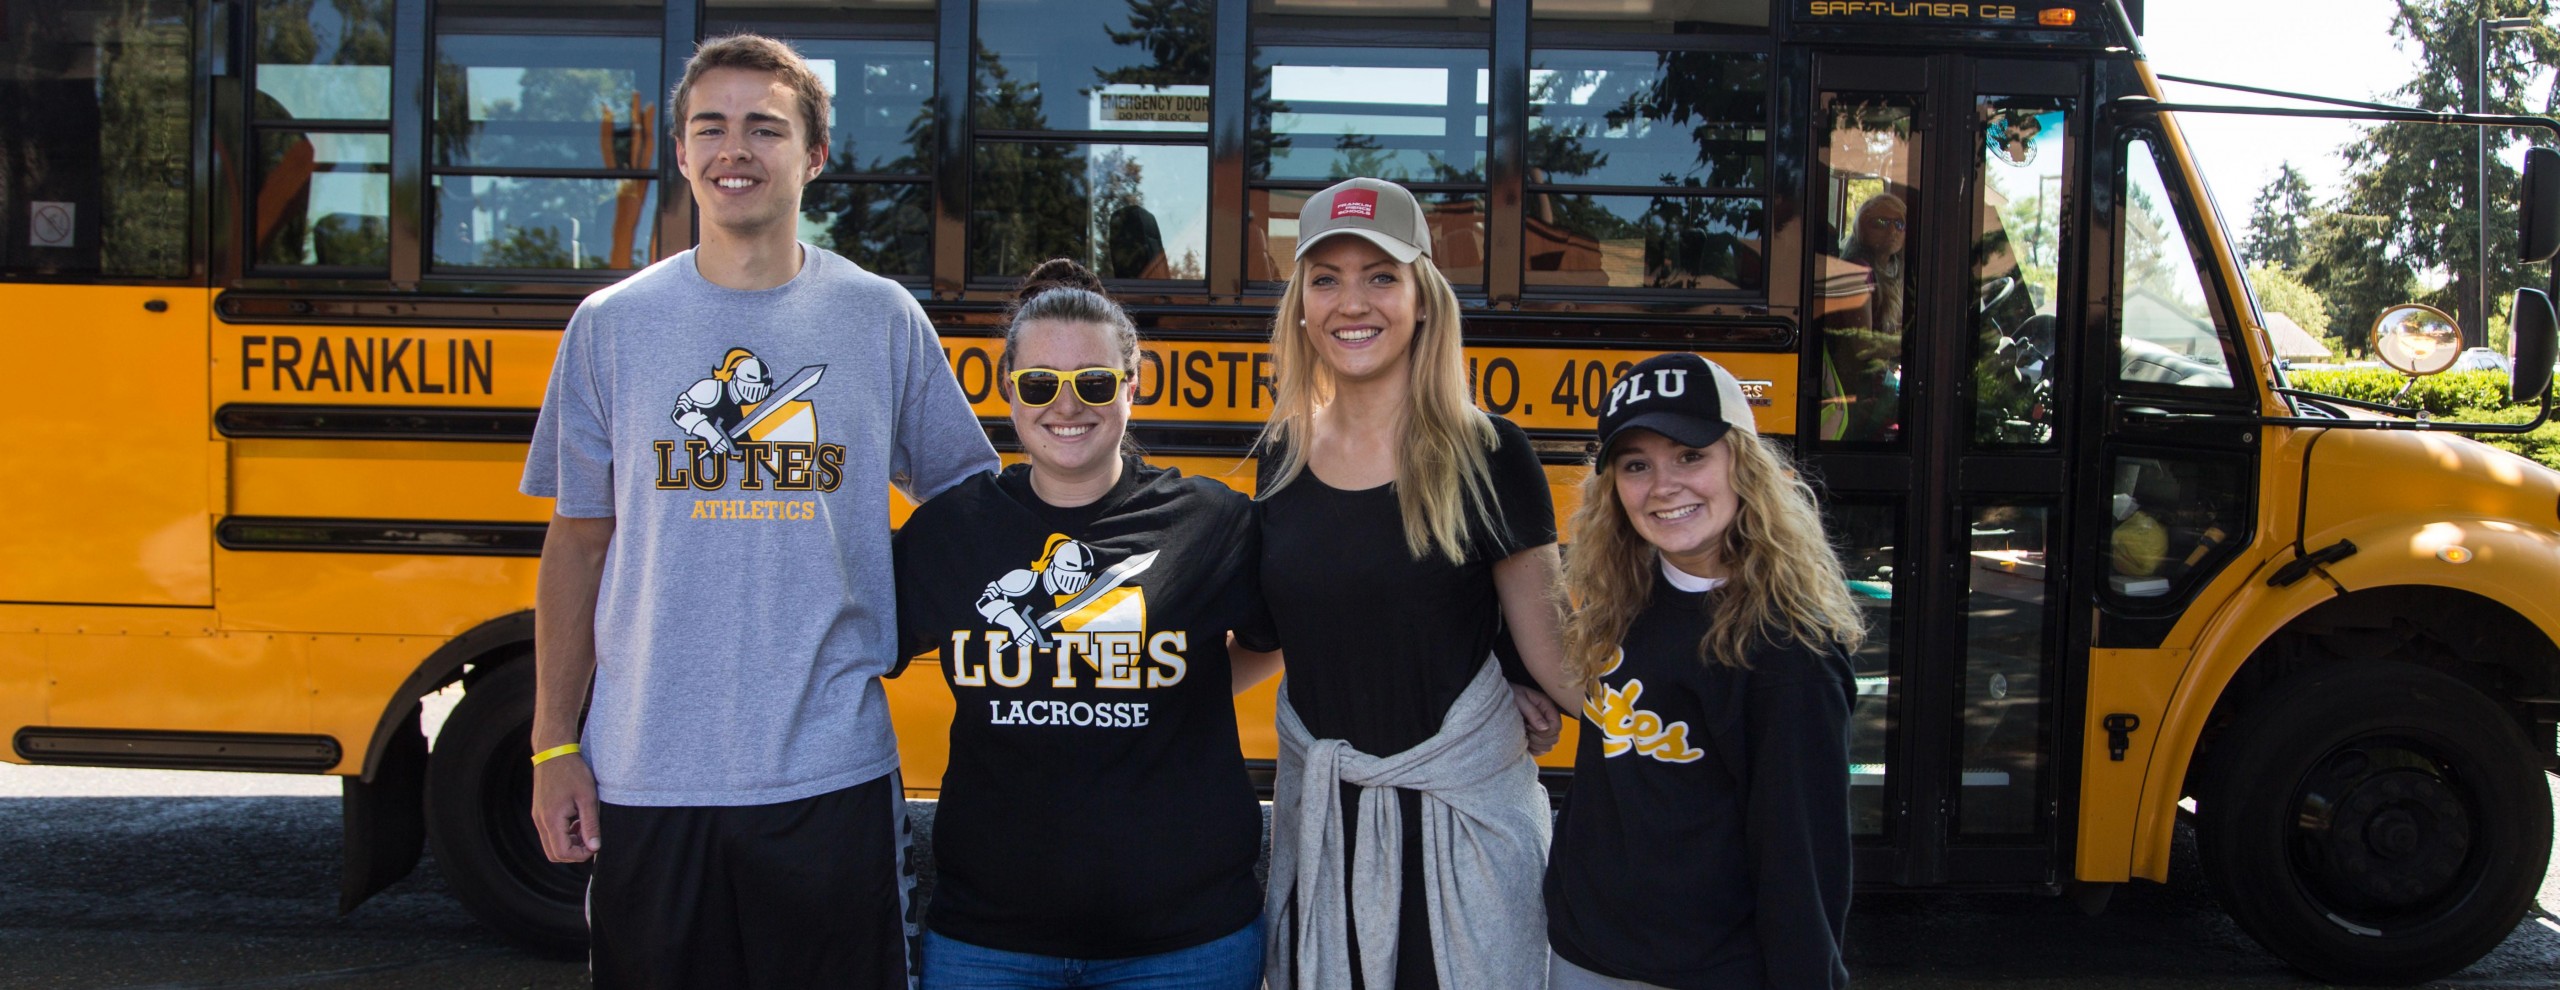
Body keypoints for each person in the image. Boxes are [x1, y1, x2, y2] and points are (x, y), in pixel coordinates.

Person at [520, 33, 998, 988]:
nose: (735, 149)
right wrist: (553, 744)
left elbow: (967, 503)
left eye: (764, 128)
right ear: (685, 153)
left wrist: (888, 623)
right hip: (644, 774)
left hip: (829, 774)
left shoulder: (879, 317)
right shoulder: (611, 326)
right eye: (711, 127)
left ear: (813, 156)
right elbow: (577, 545)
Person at [890, 259, 1283, 989]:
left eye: (1094, 383)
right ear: (1009, 390)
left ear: (1131, 388)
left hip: (1185, 942)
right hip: (989, 942)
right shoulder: (953, 530)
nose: (1066, 405)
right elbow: (843, 641)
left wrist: (1178, 687)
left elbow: (1284, 635)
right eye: (1040, 383)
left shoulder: (1210, 523)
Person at [1255, 176, 1578, 990]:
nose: (1350, 302)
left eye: (1381, 276)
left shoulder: (1489, 453)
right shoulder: (1281, 456)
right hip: (1324, 831)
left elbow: (1564, 663)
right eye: (1325, 278)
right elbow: (1275, 636)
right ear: (1300, 305)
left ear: (1424, 300)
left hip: (1461, 834)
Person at [1548, 353, 1863, 990]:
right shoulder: (1622, 597)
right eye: (1636, 465)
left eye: (1690, 455)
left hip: (1705, 971)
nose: (1663, 485)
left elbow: (1801, 865)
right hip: (1581, 953)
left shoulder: (1787, 649)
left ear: (1741, 464)